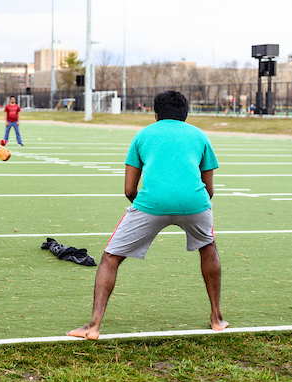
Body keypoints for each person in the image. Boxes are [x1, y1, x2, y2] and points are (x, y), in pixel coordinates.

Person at [67, 91, 229, 340]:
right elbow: (209, 190)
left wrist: (147, 208)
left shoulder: (142, 135)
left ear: (155, 114)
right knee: (208, 248)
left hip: (151, 203)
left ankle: (93, 326)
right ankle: (217, 318)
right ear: (186, 114)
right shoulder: (200, 135)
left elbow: (129, 189)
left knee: (110, 258)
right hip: (195, 203)